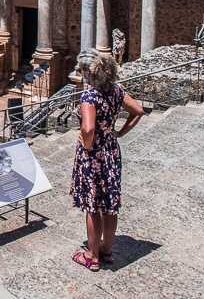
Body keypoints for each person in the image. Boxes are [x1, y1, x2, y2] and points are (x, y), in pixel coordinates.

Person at [70, 49, 144, 271]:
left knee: (92, 206)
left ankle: (92, 256)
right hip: (111, 151)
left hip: (94, 156)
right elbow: (138, 110)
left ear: (88, 73)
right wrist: (119, 132)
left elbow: (88, 127)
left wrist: (88, 144)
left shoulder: (89, 97)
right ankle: (107, 250)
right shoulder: (117, 91)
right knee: (109, 205)